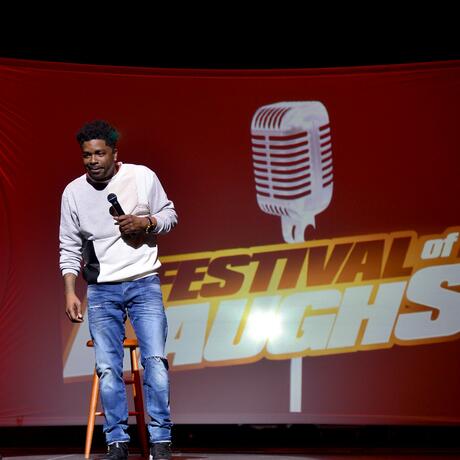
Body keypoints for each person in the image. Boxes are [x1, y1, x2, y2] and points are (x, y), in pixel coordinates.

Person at [59, 119, 177, 460]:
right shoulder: (73, 193)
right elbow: (69, 246)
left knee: (154, 361)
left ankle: (161, 441)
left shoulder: (141, 177)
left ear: (114, 153)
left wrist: (147, 222)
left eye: (99, 153)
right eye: (86, 155)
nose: (93, 161)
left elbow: (170, 215)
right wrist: (70, 290)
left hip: (143, 282)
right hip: (101, 290)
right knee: (108, 367)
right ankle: (116, 442)